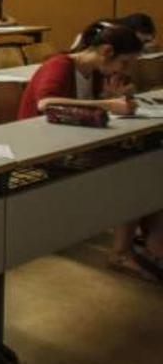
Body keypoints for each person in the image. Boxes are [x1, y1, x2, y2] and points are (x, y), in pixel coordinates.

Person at [17, 21, 158, 282]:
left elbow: (88, 108)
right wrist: (107, 103)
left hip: (73, 142)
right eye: (124, 63)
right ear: (106, 51)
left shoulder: (91, 71)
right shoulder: (59, 64)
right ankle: (122, 252)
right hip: (44, 149)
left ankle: (152, 245)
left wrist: (110, 96)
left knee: (149, 164)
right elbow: (45, 103)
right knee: (133, 173)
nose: (124, 70)